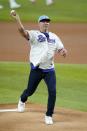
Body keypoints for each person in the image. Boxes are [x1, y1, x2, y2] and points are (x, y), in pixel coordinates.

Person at [10, 10, 67, 125]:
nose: (46, 23)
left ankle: (49, 115)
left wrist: (63, 51)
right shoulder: (34, 35)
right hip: (37, 69)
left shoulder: (54, 37)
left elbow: (61, 48)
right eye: (43, 21)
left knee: (53, 91)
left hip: (49, 70)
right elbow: (22, 31)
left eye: (47, 21)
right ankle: (22, 100)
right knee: (30, 91)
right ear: (39, 23)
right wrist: (17, 19)